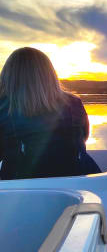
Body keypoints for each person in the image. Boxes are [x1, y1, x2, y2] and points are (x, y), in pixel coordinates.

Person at [0, 47, 100, 180]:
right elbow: (83, 137)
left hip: (21, 187)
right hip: (79, 181)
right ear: (50, 74)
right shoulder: (74, 102)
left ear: (8, 75)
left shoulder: (2, 106)